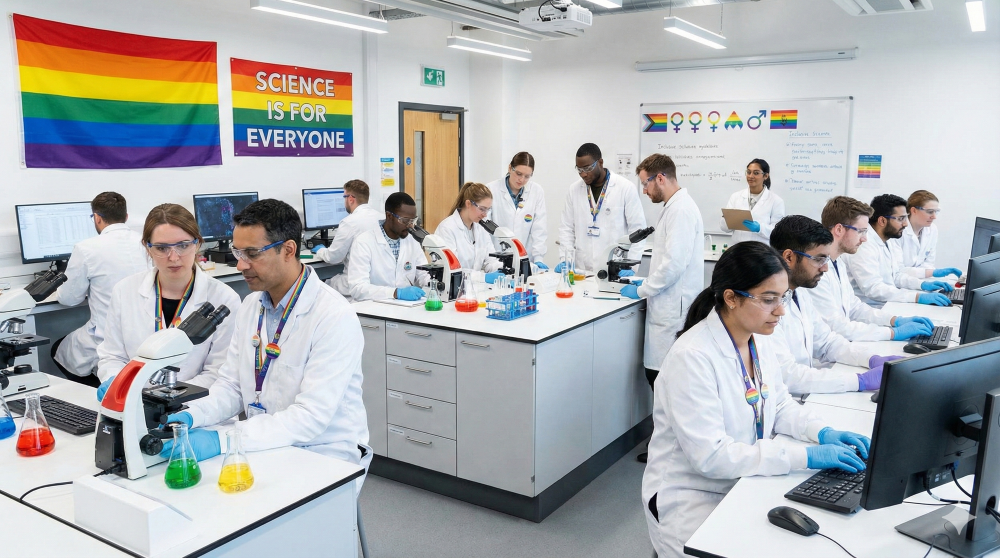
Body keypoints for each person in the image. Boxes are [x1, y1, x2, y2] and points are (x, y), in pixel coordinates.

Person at [642, 241, 870, 558]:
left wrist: (821, 432)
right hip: (691, 497)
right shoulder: (692, 358)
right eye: (768, 300)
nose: (780, 311)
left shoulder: (758, 340)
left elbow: (778, 405)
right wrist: (807, 457)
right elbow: (712, 457)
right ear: (731, 298)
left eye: (783, 297)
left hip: (742, 481)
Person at [160, 199, 370, 477]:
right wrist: (190, 415)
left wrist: (221, 440)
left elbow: (309, 417)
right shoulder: (250, 307)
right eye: (238, 252)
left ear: (288, 250)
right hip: (264, 441)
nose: (240, 265)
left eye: (251, 253)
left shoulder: (333, 315)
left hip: (323, 451)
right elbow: (231, 388)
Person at [95, 204, 241, 400]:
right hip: (133, 401)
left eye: (182, 245)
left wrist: (168, 396)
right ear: (148, 248)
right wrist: (115, 380)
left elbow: (218, 373)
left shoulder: (223, 298)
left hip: (195, 405)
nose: (173, 257)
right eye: (162, 248)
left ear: (197, 244)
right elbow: (113, 356)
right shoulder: (124, 291)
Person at [618, 154, 703, 463]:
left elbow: (673, 266)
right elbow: (666, 261)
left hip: (672, 310)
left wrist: (641, 288)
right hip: (669, 303)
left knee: (665, 382)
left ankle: (671, 451)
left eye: (645, 183)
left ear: (661, 178)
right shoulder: (675, 208)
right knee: (661, 381)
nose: (644, 191)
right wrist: (640, 278)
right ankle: (668, 447)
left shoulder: (680, 210)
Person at [769, 216, 900, 394]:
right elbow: (788, 375)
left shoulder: (800, 293)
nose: (825, 268)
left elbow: (827, 342)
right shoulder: (767, 307)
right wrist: (858, 381)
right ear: (789, 257)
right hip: (789, 399)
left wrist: (871, 359)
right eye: (819, 259)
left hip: (806, 393)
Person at [53, 192, 149, 386]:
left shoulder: (86, 248)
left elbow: (68, 299)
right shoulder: (147, 243)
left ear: (96, 218)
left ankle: (96, 390)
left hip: (106, 337)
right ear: (126, 217)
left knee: (58, 349)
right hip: (146, 335)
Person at [812, 196, 935, 342]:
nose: (864, 238)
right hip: (832, 350)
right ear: (839, 229)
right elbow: (837, 327)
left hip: (849, 337)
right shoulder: (817, 272)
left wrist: (894, 320)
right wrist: (891, 333)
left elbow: (855, 307)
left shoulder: (838, 262)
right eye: (861, 231)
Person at [842, 194, 955, 308]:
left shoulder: (889, 240)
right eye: (901, 219)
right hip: (871, 308)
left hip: (889, 303)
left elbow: (896, 275)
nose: (906, 224)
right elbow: (873, 288)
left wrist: (922, 285)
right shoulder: (864, 244)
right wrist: (916, 297)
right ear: (882, 220)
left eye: (906, 218)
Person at [557, 143, 646, 273]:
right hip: (582, 269)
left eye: (587, 168)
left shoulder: (625, 188)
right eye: (579, 170)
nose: (583, 174)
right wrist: (565, 259)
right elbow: (566, 228)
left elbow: (638, 230)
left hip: (615, 268)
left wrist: (631, 266)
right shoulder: (574, 190)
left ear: (600, 162)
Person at [348, 192, 430, 302]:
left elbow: (423, 273)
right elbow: (357, 288)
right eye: (405, 220)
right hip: (373, 310)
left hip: (405, 308)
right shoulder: (364, 242)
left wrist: (433, 284)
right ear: (389, 216)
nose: (410, 225)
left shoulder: (412, 240)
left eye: (413, 221)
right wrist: (396, 293)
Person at [311, 180, 383, 297]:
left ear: (350, 199)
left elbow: (333, 257)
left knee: (321, 286)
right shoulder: (382, 217)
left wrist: (321, 251)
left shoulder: (349, 222)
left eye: (344, 197)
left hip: (354, 285)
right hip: (380, 283)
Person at [486, 152, 548, 270]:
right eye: (518, 174)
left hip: (526, 261)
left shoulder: (536, 191)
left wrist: (538, 258)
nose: (521, 179)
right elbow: (484, 230)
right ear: (510, 168)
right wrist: (491, 262)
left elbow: (539, 228)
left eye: (527, 176)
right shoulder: (491, 190)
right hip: (497, 260)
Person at [435, 182, 505, 283]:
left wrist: (502, 269)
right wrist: (483, 278)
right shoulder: (447, 228)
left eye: (488, 210)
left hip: (474, 289)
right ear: (468, 204)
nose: (485, 215)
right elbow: (452, 270)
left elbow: (490, 260)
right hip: (453, 290)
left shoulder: (480, 228)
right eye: (482, 209)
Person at [719, 158, 786, 244]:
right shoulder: (736, 197)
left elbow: (778, 232)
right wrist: (727, 220)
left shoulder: (776, 201)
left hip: (761, 252)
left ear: (765, 176)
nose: (751, 176)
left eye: (756, 173)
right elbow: (724, 228)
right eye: (748, 172)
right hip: (737, 249)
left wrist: (760, 228)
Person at [898, 190, 962, 279]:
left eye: (936, 211)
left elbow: (928, 263)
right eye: (930, 211)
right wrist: (927, 273)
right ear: (914, 210)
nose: (934, 217)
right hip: (898, 286)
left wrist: (926, 274)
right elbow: (898, 270)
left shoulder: (932, 229)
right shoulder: (898, 231)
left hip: (920, 281)